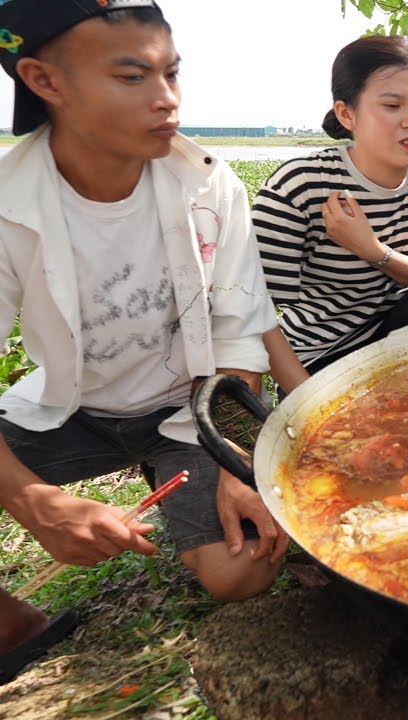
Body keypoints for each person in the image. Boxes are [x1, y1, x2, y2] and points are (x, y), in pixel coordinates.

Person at [0, 0, 285, 684]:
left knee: (238, 573)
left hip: (192, 414)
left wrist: (237, 461)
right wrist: (32, 500)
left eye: (172, 73)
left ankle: (175, 472)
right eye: (133, 77)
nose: (168, 101)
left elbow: (238, 336)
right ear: (46, 81)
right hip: (75, 412)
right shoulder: (8, 205)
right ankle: (13, 623)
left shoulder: (209, 184)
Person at [253, 36, 408, 394]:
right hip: (324, 355)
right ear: (347, 113)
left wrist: (373, 251)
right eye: (392, 105)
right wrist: (309, 401)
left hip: (401, 338)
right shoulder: (302, 185)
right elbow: (252, 308)